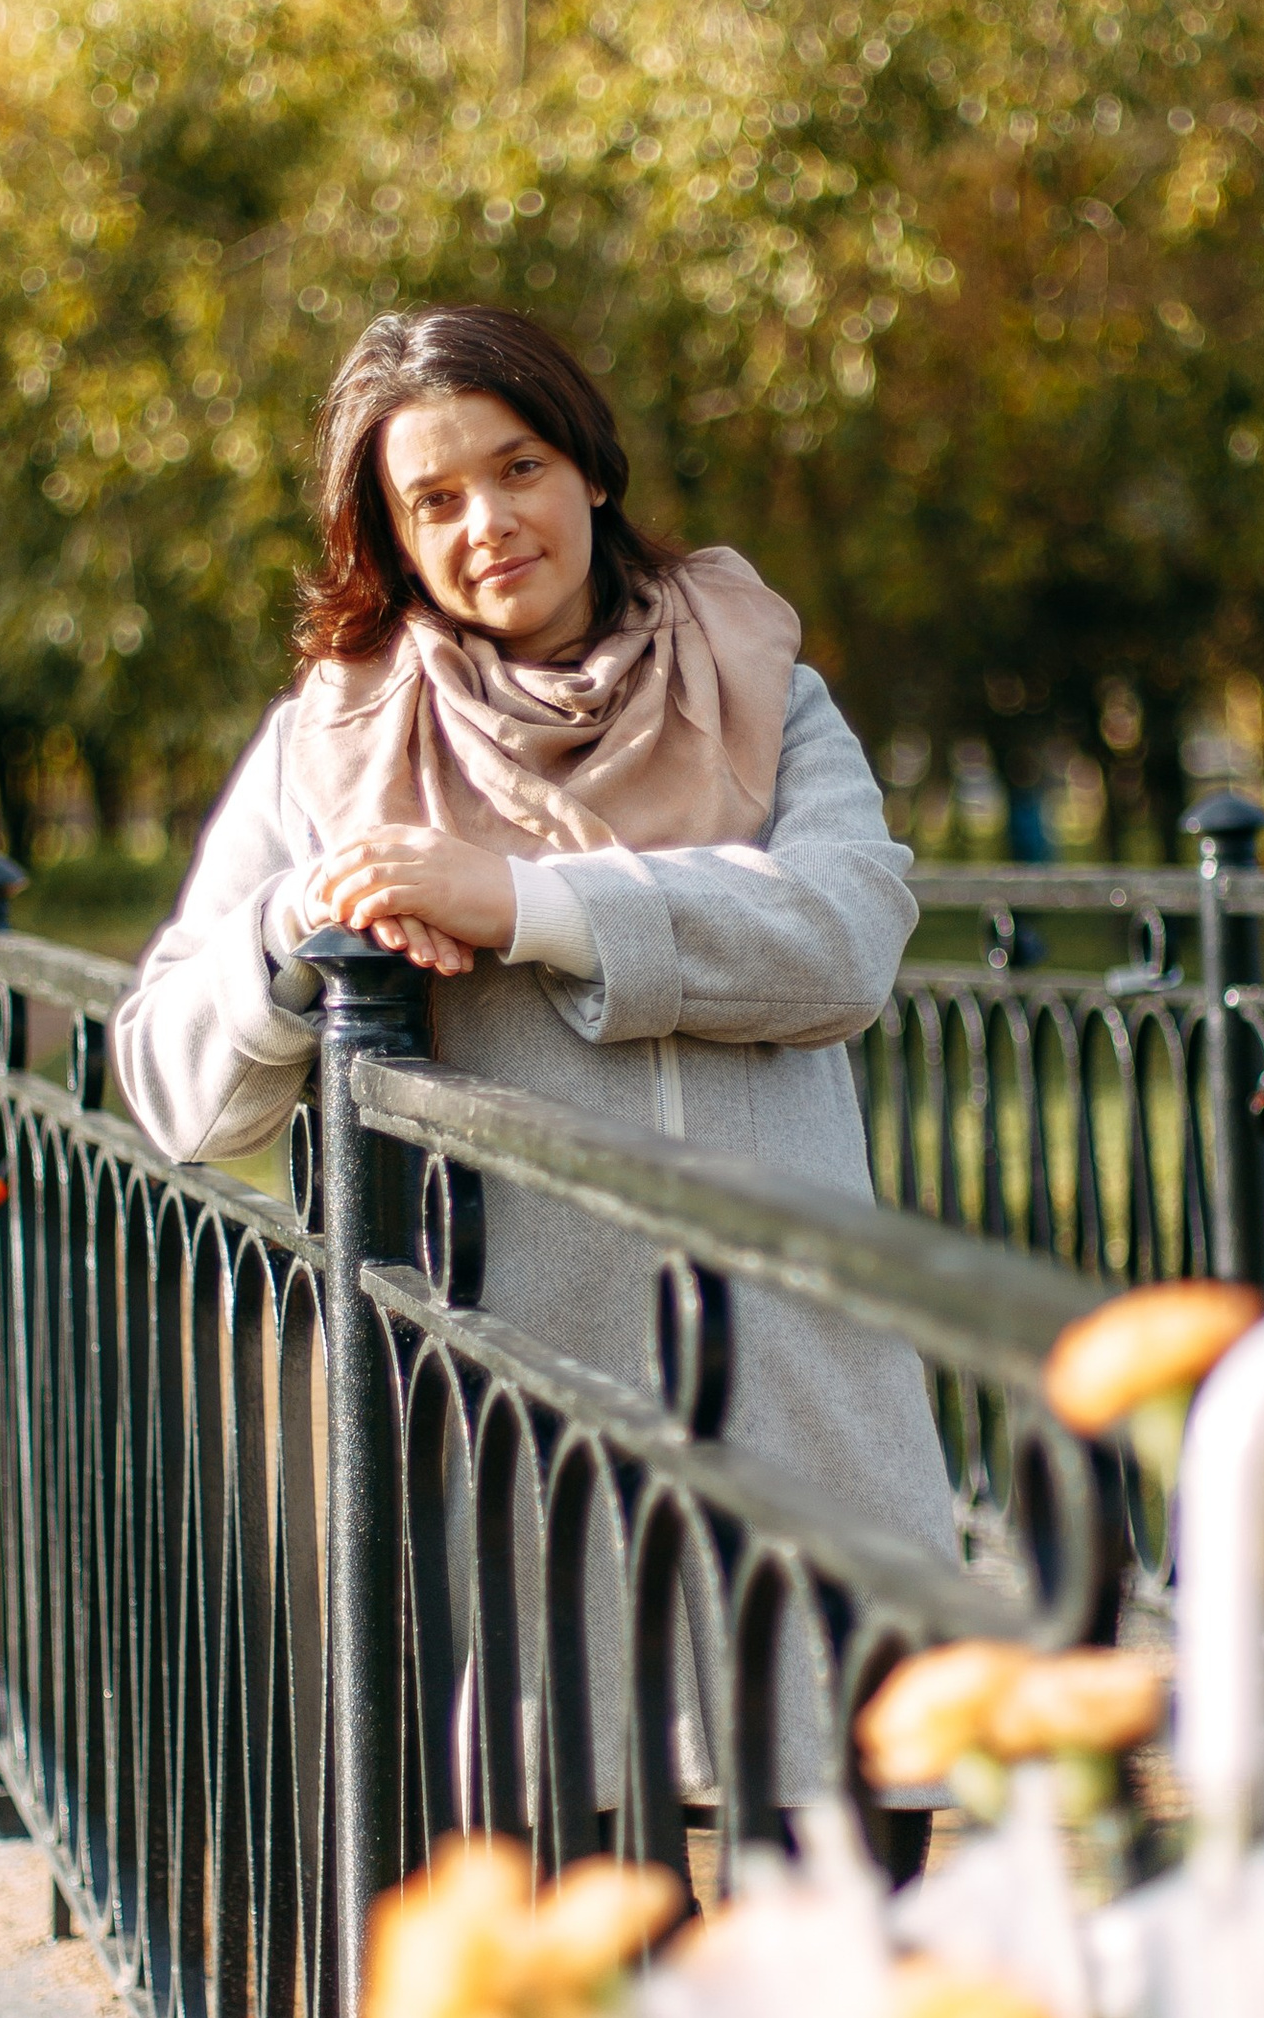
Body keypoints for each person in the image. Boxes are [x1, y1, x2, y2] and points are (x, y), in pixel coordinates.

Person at [111, 306, 957, 1570]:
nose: (488, 526)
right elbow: (170, 1084)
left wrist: (517, 904)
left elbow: (844, 938)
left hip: (801, 1418)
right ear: (392, 541)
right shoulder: (333, 745)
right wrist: (304, 913)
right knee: (577, 1770)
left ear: (591, 470)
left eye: (518, 470)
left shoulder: (752, 673)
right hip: (514, 1458)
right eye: (433, 500)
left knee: (844, 1766)